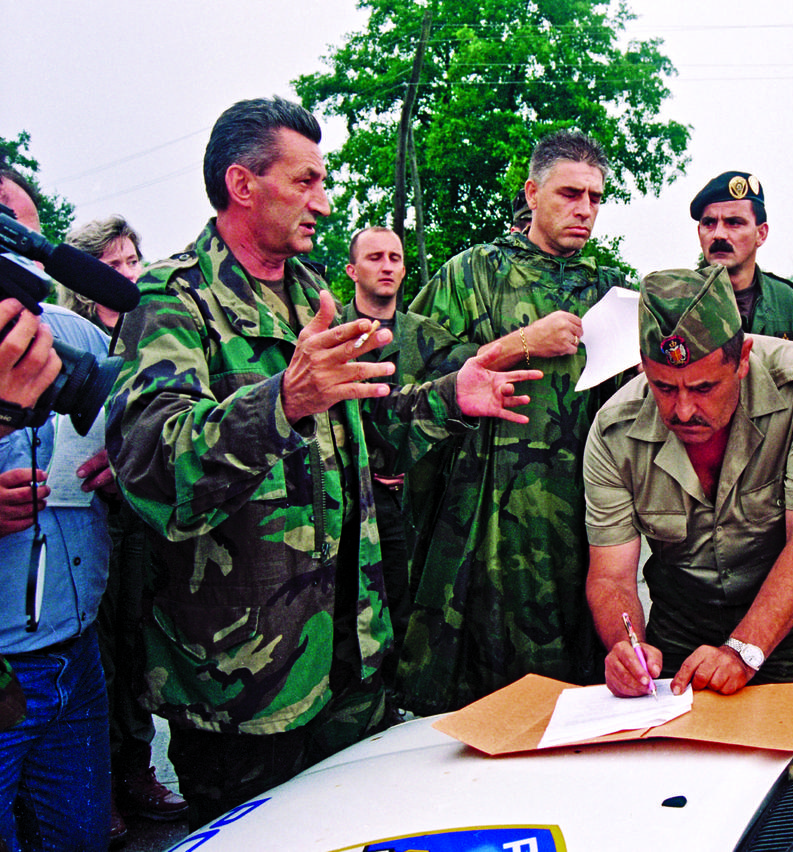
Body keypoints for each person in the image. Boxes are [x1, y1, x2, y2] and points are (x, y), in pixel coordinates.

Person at [106, 96, 540, 828]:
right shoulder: (173, 300)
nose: (324, 201)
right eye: (305, 181)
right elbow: (154, 470)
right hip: (245, 695)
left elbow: (372, 440)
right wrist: (282, 401)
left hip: (350, 666)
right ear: (244, 185)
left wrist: (449, 398)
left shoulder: (316, 298)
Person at [397, 129, 630, 715]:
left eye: (595, 198)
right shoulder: (472, 273)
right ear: (531, 193)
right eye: (569, 193)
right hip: (483, 516)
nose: (584, 210)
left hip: (582, 519)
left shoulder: (608, 293)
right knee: (484, 688)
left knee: (576, 692)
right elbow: (414, 377)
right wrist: (520, 342)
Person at [584, 266, 793, 697]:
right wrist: (625, 644)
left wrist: (740, 652)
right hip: (681, 631)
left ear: (743, 358)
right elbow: (611, 576)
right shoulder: (614, 432)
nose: (684, 409)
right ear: (642, 368)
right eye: (664, 387)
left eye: (704, 387)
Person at [62, 216, 189, 842]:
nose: (130, 274)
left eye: (134, 260)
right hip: (81, 519)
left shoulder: (154, 329)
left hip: (144, 516)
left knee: (139, 642)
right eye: (113, 264)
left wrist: (131, 462)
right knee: (100, 649)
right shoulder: (73, 339)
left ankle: (138, 768)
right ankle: (100, 784)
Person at [0, 171, 115, 851]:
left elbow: (140, 433)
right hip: (3, 663)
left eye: (22, 232)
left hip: (78, 653)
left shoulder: (79, 335)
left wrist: (129, 465)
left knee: (78, 838)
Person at [340, 226, 438, 682]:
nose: (387, 266)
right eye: (375, 257)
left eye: (395, 258)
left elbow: (467, 380)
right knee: (356, 610)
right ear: (352, 270)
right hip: (353, 501)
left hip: (415, 498)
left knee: (414, 603)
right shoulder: (334, 336)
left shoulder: (424, 335)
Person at [691, 170, 793, 341]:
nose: (718, 234)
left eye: (734, 222)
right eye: (709, 223)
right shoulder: (675, 300)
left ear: (761, 234)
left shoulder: (786, 301)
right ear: (699, 232)